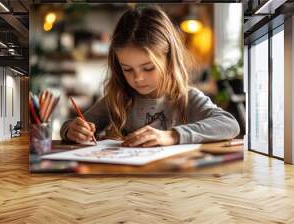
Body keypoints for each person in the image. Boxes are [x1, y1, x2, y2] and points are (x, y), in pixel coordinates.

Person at [60, 6, 240, 147]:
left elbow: (229, 124)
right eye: (128, 70)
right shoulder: (118, 98)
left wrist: (172, 135)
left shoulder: (186, 98)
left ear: (169, 60)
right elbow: (69, 125)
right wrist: (72, 130)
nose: (137, 78)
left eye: (148, 68)